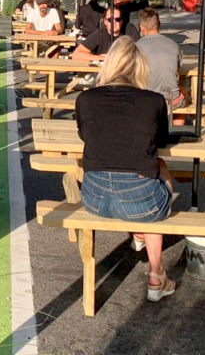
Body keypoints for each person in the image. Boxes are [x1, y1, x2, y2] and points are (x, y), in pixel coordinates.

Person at [74, 37, 176, 302]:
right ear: (141, 68)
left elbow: (86, 136)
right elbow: (161, 142)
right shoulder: (153, 101)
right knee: (157, 171)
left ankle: (140, 235)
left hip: (94, 198)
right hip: (142, 201)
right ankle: (156, 273)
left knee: (146, 174)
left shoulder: (86, 99)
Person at [136, 8, 187, 125]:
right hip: (171, 100)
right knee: (184, 91)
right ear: (159, 25)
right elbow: (177, 68)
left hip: (145, 100)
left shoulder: (136, 46)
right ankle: (176, 130)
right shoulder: (174, 45)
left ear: (141, 27)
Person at [72, 7, 140, 61]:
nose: (114, 22)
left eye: (117, 19)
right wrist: (100, 58)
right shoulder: (100, 34)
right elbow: (76, 55)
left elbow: (139, 53)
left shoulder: (129, 30)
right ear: (105, 21)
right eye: (110, 20)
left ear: (122, 21)